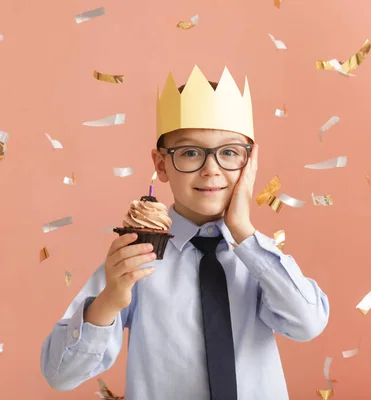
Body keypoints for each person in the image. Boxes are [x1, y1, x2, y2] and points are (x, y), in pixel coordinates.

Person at [40, 65, 330, 400]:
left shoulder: (259, 259)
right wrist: (108, 301)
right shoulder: (136, 257)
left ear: (249, 164)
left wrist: (243, 232)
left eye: (229, 153)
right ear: (161, 164)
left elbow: (307, 324)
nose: (211, 169)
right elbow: (60, 375)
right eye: (191, 152)